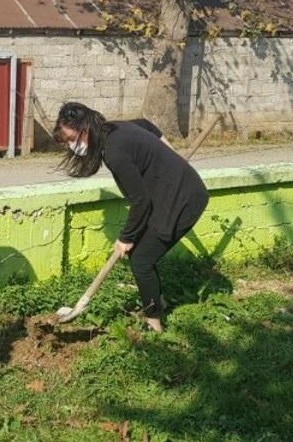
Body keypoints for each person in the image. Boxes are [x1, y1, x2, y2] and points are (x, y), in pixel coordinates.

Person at [54, 102, 207, 332]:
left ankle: (154, 323)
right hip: (168, 194)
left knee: (141, 261)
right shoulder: (112, 128)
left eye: (70, 139)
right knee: (140, 255)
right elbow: (147, 125)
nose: (70, 145)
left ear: (85, 131)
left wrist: (126, 237)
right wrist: (168, 153)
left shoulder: (114, 153)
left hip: (182, 200)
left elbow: (140, 201)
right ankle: (158, 300)